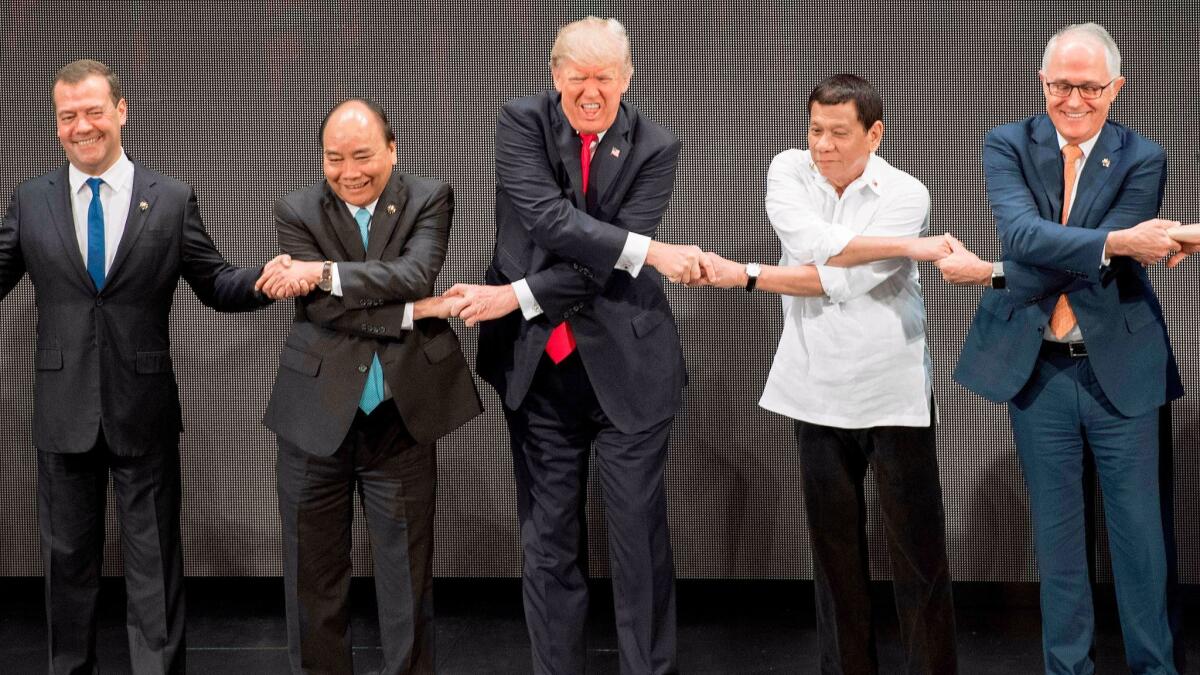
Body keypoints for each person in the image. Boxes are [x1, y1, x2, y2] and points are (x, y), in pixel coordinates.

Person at [0, 59, 287, 674]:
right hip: (63, 411)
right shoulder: (30, 199)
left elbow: (216, 283)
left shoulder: (172, 197)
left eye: (93, 111)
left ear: (122, 111)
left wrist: (269, 280)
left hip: (144, 410)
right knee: (66, 568)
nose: (82, 126)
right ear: (57, 124)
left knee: (155, 568)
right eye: (68, 115)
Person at [442, 16, 709, 674]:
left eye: (606, 79)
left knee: (638, 544)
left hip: (629, 367)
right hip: (539, 369)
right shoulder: (520, 121)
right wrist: (647, 251)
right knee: (548, 542)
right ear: (556, 75)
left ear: (627, 78)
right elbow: (545, 218)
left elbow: (600, 266)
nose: (592, 91)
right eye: (579, 78)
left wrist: (515, 294)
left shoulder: (656, 144)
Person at [701, 74, 958, 674]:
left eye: (838, 133)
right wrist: (904, 249)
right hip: (813, 390)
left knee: (918, 558)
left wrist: (746, 274)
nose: (822, 145)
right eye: (815, 129)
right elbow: (810, 242)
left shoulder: (906, 192)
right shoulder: (788, 169)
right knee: (834, 557)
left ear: (874, 134)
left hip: (891, 392)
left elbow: (836, 276)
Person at [947, 23, 1182, 674]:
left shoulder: (1144, 157)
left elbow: (1048, 255)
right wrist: (1115, 243)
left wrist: (991, 271)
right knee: (1057, 542)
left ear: (1116, 88)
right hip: (1039, 371)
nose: (1073, 99)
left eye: (1089, 87)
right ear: (1042, 82)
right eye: (1060, 85)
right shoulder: (1006, 143)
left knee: (1140, 542)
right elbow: (1024, 235)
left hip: (1121, 371)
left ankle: (1154, 668)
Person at [257, 98, 482, 675]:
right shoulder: (297, 208)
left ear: (392, 150)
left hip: (399, 421)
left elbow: (414, 273)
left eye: (362, 156)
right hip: (314, 419)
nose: (349, 172)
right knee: (312, 580)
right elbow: (322, 313)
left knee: (407, 584)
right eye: (334, 159)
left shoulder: (429, 197)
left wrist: (326, 273)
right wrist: (415, 312)